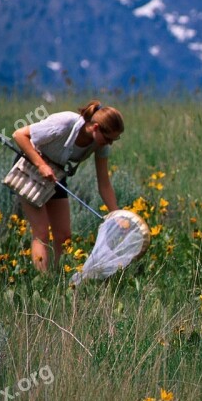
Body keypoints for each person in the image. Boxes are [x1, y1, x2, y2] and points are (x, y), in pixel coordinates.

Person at [11, 100, 124, 273]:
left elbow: (104, 183)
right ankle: (42, 283)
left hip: (56, 174)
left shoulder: (100, 144)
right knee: (41, 233)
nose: (110, 143)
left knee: (64, 236)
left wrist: (116, 214)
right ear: (95, 128)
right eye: (109, 138)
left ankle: (58, 280)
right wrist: (41, 165)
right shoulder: (65, 122)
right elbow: (19, 135)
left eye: (114, 139)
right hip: (30, 169)